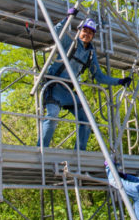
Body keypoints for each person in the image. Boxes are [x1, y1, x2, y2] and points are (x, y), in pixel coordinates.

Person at [39, 14, 132, 151]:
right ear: (79, 30)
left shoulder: (90, 53)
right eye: (85, 31)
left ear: (93, 36)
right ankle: (42, 149)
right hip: (54, 85)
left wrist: (120, 81)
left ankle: (79, 153)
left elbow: (99, 77)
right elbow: (56, 31)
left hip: (69, 90)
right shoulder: (70, 42)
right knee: (52, 115)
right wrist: (68, 17)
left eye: (90, 33)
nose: (87, 34)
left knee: (88, 122)